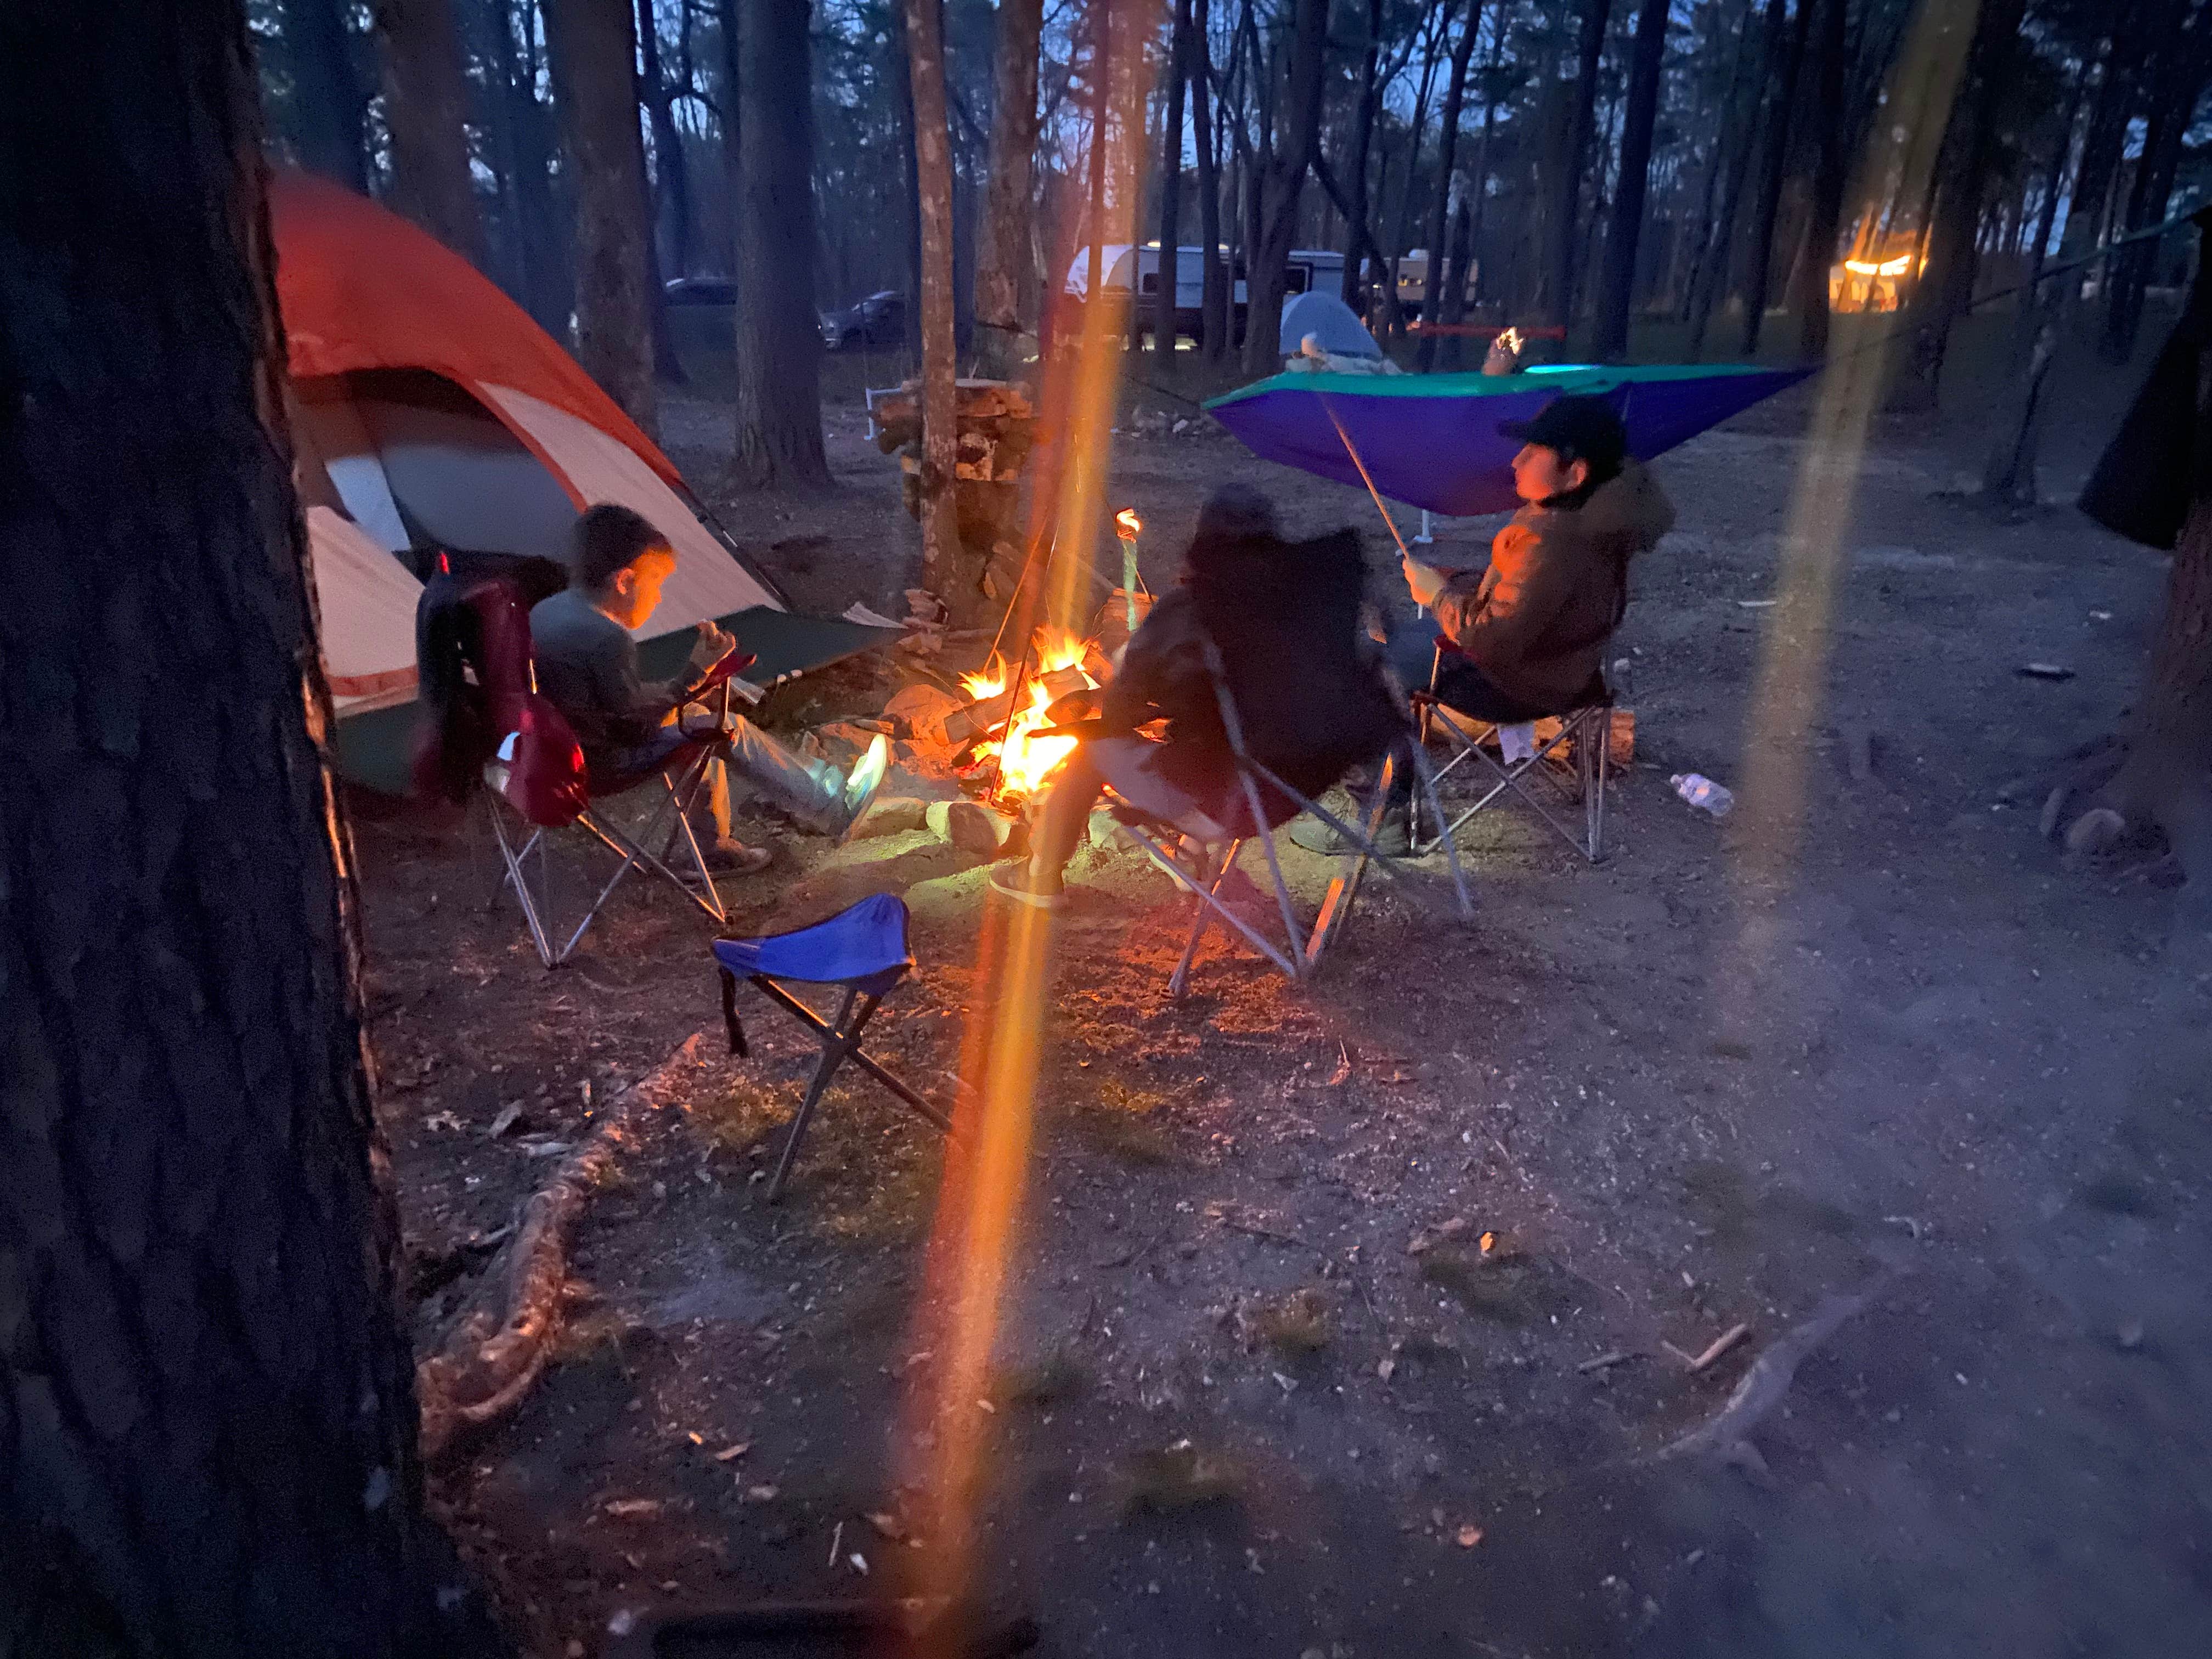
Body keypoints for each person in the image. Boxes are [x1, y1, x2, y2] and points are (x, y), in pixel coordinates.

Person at [1293, 394, 1674, 852]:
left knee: (1363, 672)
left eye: (1534, 452)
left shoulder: (1551, 540)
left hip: (1513, 682)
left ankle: (1380, 818)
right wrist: (1462, 584)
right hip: (1568, 671)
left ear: (1575, 473)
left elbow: (1489, 637)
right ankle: (1385, 796)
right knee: (1391, 641)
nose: (1517, 459)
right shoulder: (1598, 520)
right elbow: (1541, 603)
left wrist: (1439, 595)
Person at [990, 486, 1396, 909]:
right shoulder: (1305, 606)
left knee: (1090, 749)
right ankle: (1189, 858)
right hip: (1287, 791)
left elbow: (1119, 712)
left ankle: (1039, 876)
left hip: (1225, 801)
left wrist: (1133, 676)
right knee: (1212, 739)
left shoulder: (1192, 610)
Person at [530, 504, 887, 872]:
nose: (659, 597)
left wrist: (691, 689)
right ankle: (835, 806)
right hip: (597, 765)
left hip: (544, 759)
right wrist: (694, 674)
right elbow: (635, 728)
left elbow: (608, 702)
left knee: (701, 718)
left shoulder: (547, 611)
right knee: (725, 727)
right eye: (656, 582)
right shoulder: (605, 637)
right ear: (624, 582)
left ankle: (713, 846)